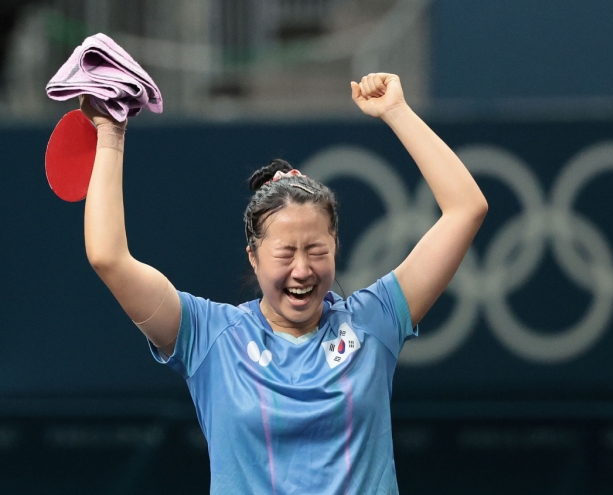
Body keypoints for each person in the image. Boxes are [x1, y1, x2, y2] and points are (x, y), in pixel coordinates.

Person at [81, 73, 488, 494]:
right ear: (254, 258)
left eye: (316, 251)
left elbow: (466, 208)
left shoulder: (375, 321)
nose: (302, 271)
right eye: (284, 254)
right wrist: (111, 134)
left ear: (335, 248)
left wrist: (397, 112)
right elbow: (108, 258)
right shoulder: (208, 337)